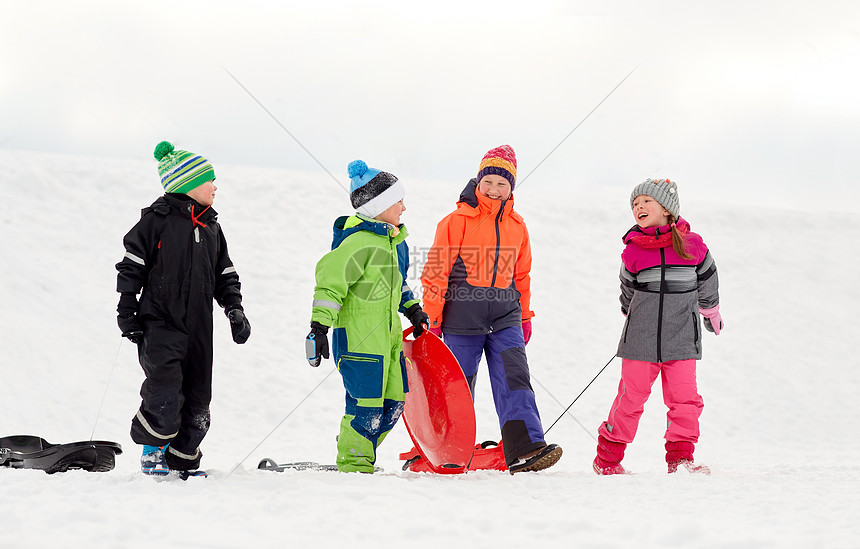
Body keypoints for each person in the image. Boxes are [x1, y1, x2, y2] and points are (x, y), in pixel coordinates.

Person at [420, 145, 562, 474]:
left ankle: (525, 449)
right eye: (490, 182)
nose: (495, 189)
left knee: (515, 379)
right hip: (461, 318)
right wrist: (433, 318)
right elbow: (436, 272)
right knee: (456, 384)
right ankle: (444, 450)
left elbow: (522, 275)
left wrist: (524, 316)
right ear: (478, 181)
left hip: (505, 318)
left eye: (503, 183)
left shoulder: (518, 226)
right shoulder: (455, 221)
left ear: (512, 187)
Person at [115, 141, 251, 476]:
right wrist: (127, 309)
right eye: (210, 180)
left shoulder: (212, 228)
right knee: (165, 390)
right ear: (188, 184)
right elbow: (131, 267)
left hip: (199, 327)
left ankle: (181, 459)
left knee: (198, 399)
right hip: (160, 323)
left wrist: (234, 309)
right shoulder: (155, 223)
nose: (216, 186)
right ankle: (153, 452)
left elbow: (225, 274)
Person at [306, 159, 428, 473]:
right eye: (398, 201)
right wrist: (319, 327)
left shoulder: (395, 244)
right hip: (359, 342)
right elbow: (330, 285)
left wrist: (413, 309)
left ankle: (357, 448)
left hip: (387, 342)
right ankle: (354, 463)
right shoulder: (357, 243)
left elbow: (397, 286)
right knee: (366, 406)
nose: (403, 207)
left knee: (394, 404)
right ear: (379, 206)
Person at [593, 178, 722, 476]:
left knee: (685, 400)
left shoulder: (693, 245)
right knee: (630, 399)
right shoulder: (633, 250)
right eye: (635, 204)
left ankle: (680, 460)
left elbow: (708, 279)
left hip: (682, 338)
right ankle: (607, 460)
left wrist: (710, 310)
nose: (639, 207)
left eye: (646, 201)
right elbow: (627, 289)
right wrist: (632, 314)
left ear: (666, 209)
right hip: (640, 339)